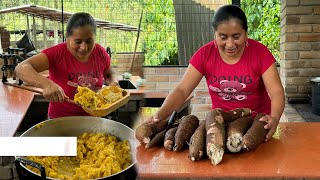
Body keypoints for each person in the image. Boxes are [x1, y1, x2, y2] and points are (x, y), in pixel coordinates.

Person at [148, 5, 285, 142]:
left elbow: (276, 91)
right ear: (215, 35)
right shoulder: (204, 55)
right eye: (223, 37)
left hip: (257, 125)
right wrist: (160, 115)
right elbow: (182, 90)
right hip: (221, 124)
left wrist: (274, 117)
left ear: (246, 33)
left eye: (236, 36)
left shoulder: (260, 53)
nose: (230, 44)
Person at [15, 12, 118, 118]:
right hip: (60, 120)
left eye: (89, 41)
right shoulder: (57, 53)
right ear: (67, 38)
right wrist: (47, 84)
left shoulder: (100, 52)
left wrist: (113, 83)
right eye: (78, 42)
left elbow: (109, 72)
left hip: (94, 118)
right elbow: (21, 68)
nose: (84, 47)